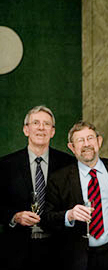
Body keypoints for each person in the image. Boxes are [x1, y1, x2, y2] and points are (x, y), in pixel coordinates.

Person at [42, 121, 108, 270]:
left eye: (90, 138)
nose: (86, 144)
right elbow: (46, 218)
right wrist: (69, 215)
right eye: (80, 140)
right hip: (77, 256)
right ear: (72, 147)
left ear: (99, 141)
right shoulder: (59, 179)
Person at [0, 105, 75, 270]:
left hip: (59, 249)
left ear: (53, 132)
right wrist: (14, 217)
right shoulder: (6, 165)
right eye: (36, 123)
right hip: (17, 250)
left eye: (46, 124)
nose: (41, 128)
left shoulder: (68, 164)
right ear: (26, 130)